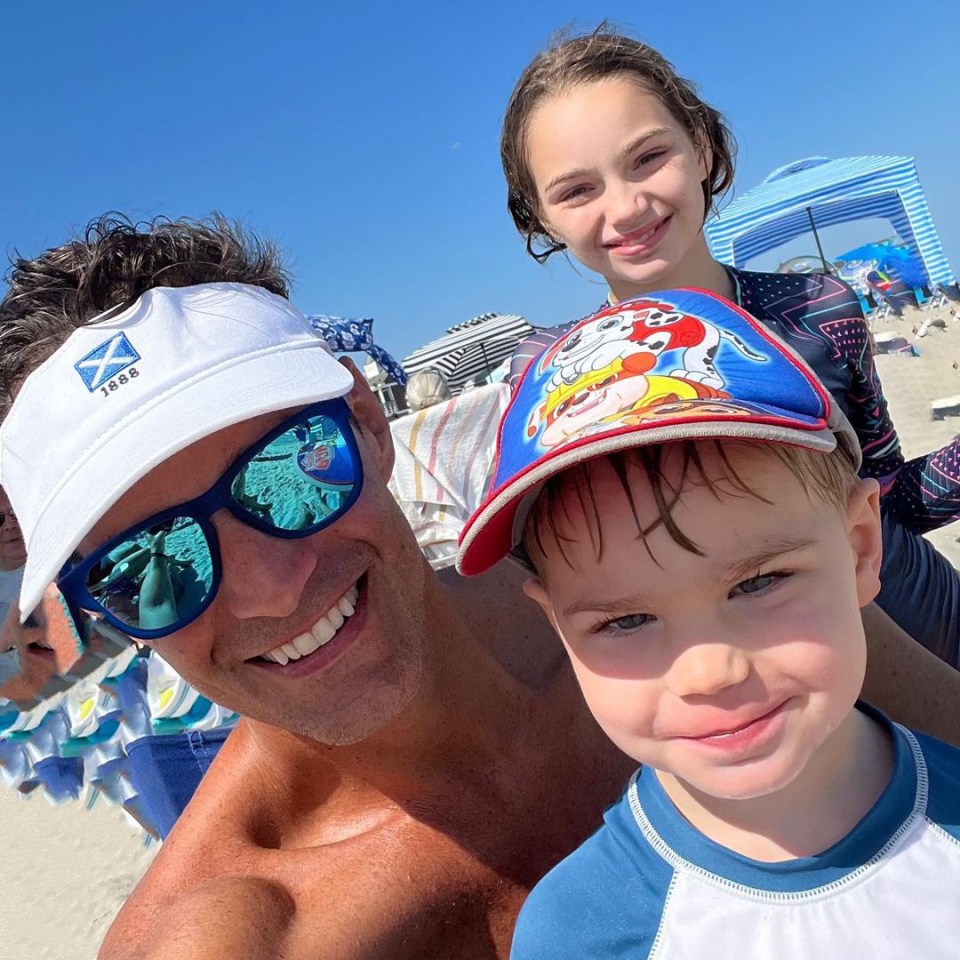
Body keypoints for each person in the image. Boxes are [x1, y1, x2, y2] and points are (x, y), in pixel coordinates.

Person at [0, 216, 957, 960]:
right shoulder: (240, 938)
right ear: (99, 611)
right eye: (149, 567)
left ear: (369, 426)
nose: (266, 588)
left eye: (289, 469)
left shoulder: (670, 585)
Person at [458, 290, 960, 958]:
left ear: (862, 547)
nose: (708, 671)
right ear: (559, 629)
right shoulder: (579, 934)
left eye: (759, 582)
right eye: (626, 620)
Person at [499, 26, 960, 663]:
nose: (628, 206)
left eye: (648, 158)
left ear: (704, 148)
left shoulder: (820, 308)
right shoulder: (545, 372)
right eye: (577, 190)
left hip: (914, 618)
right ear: (539, 218)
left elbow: (885, 499)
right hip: (723, 663)